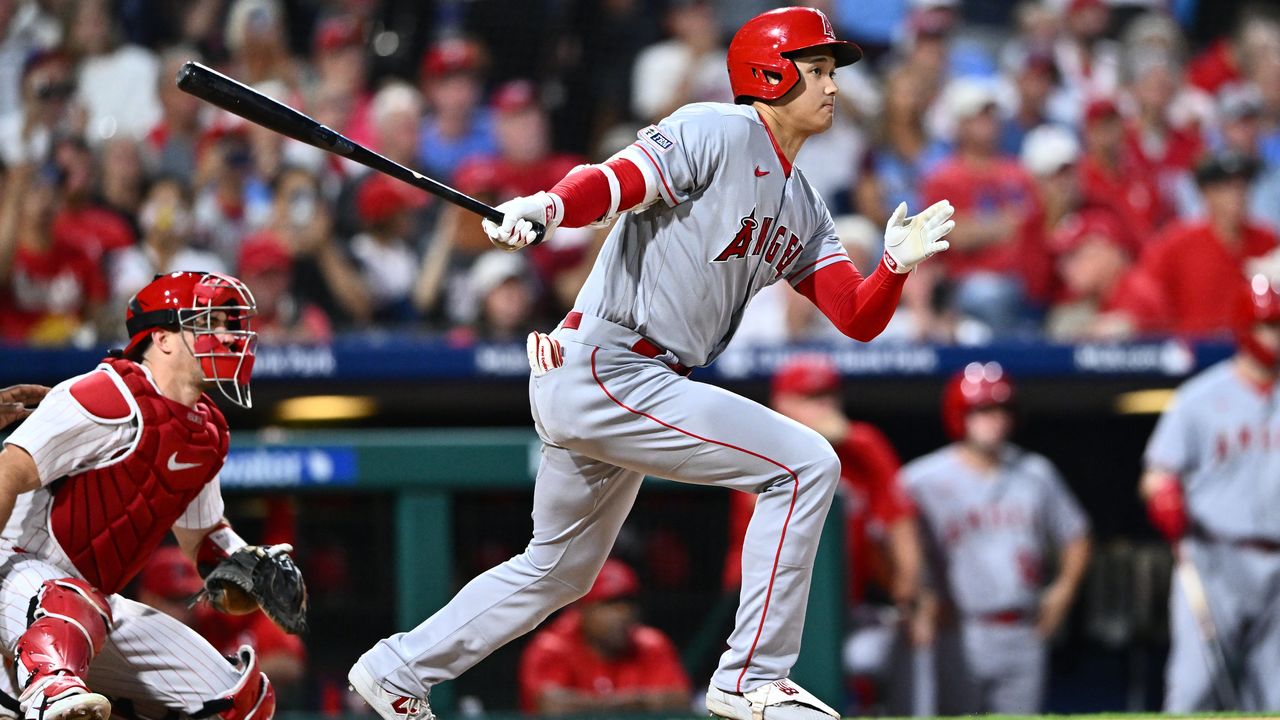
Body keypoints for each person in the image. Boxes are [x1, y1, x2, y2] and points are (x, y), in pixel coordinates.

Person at [348, 8, 954, 720]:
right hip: (611, 364)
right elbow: (617, 181)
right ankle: (752, 676)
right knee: (805, 465)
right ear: (770, 74)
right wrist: (548, 206)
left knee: (558, 570)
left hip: (631, 377)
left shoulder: (803, 204)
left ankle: (396, 670)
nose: (832, 87)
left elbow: (855, 315)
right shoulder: (717, 129)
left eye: (831, 72)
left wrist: (892, 268)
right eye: (816, 70)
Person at [0, 270, 304, 720]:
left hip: (88, 605)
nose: (228, 336)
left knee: (238, 701)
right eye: (209, 323)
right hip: (13, 569)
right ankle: (45, 693)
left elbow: (203, 538)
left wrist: (249, 566)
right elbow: (7, 473)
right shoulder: (106, 394)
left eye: (230, 324)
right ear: (161, 338)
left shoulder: (206, 433)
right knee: (68, 612)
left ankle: (47, 686)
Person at [902, 362, 1091, 715]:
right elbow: (889, 536)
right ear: (960, 415)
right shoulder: (921, 479)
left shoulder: (1036, 472)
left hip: (1023, 628)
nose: (996, 420)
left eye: (1003, 410)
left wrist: (1063, 591)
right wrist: (918, 597)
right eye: (983, 410)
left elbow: (1076, 534)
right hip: (958, 630)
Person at [1141, 275, 1280, 712]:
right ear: (1244, 327)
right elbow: (1157, 473)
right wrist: (1163, 496)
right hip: (1214, 558)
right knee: (1193, 689)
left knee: (1275, 696)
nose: (1274, 336)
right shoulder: (1199, 397)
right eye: (1266, 326)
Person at [517, 558, 690, 715]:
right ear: (583, 608)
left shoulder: (649, 644)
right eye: (609, 604)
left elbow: (681, 701)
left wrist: (592, 704)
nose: (623, 613)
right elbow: (551, 708)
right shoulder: (552, 646)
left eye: (628, 603)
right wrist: (631, 703)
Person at [1134, 152, 1279, 336]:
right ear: (1207, 193)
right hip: (1195, 347)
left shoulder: (1266, 240)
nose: (1238, 195)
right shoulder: (1178, 242)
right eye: (1226, 187)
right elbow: (1143, 290)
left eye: (1242, 186)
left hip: (1251, 348)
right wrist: (1129, 318)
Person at [136, 547, 307, 691]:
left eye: (189, 598)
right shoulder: (131, 634)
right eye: (174, 599)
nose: (185, 609)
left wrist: (224, 676)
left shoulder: (218, 618)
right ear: (147, 599)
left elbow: (289, 663)